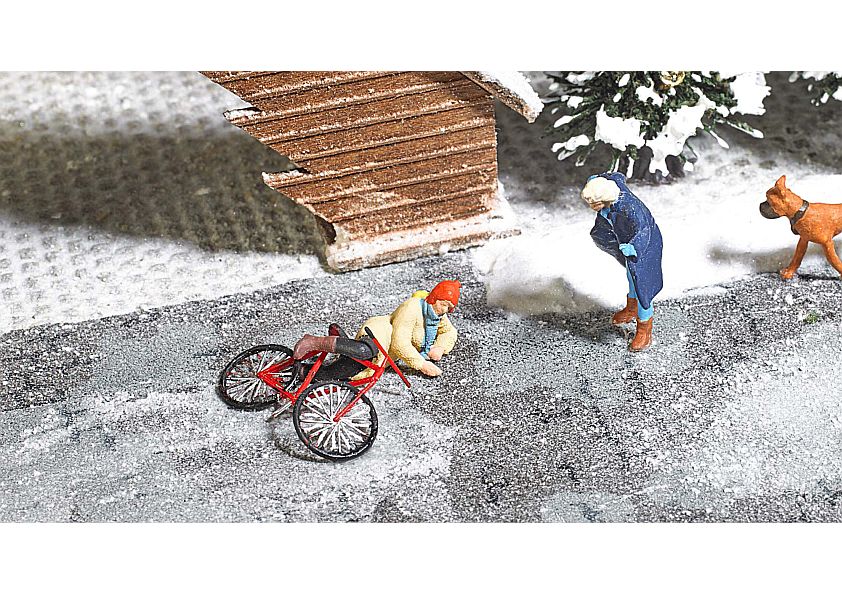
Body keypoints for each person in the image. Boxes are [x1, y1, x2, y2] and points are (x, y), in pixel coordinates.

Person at [582, 172, 663, 352]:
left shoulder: (629, 207)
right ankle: (631, 308)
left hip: (644, 246)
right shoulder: (610, 186)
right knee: (630, 277)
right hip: (625, 240)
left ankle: (644, 328)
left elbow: (644, 229)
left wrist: (634, 247)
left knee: (643, 287)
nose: (592, 207)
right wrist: (595, 179)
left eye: (593, 203)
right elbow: (617, 176)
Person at [356, 280, 460, 378]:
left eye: (448, 307)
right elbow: (399, 342)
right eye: (443, 304)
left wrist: (440, 347)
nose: (444, 309)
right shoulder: (411, 308)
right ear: (434, 297)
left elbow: (449, 331)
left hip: (393, 354)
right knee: (366, 363)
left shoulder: (437, 314)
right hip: (381, 339)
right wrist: (422, 364)